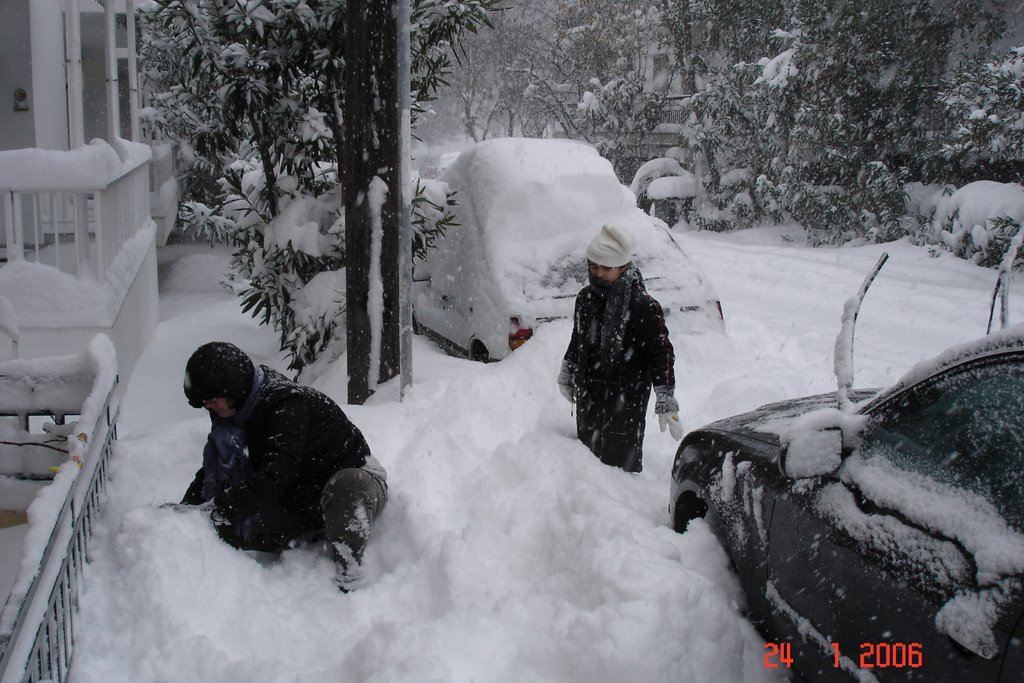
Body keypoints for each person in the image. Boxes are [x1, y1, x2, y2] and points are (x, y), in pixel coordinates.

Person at [179, 341, 387, 590]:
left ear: (233, 388)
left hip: (357, 482)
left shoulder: (286, 405)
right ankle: (315, 531)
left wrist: (221, 507)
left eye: (212, 400)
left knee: (345, 488)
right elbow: (214, 469)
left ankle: (350, 576)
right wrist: (189, 510)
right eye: (203, 402)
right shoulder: (235, 413)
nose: (208, 407)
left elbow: (276, 475)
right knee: (227, 530)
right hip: (302, 498)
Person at [557, 224, 684, 473]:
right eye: (594, 267)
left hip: (626, 398)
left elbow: (661, 351)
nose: (599, 273)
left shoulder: (643, 306)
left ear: (624, 267)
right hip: (589, 393)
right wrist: (568, 370)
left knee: (619, 466)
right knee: (586, 462)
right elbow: (578, 338)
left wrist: (665, 394)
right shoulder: (585, 298)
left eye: (607, 268)